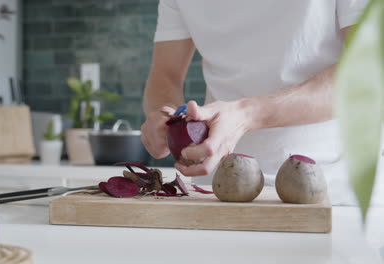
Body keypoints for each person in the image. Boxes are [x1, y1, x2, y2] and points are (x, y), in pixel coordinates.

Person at [140, 0, 369, 204]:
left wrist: (245, 115)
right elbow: (165, 75)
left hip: (332, 192)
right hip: (218, 191)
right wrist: (167, 116)